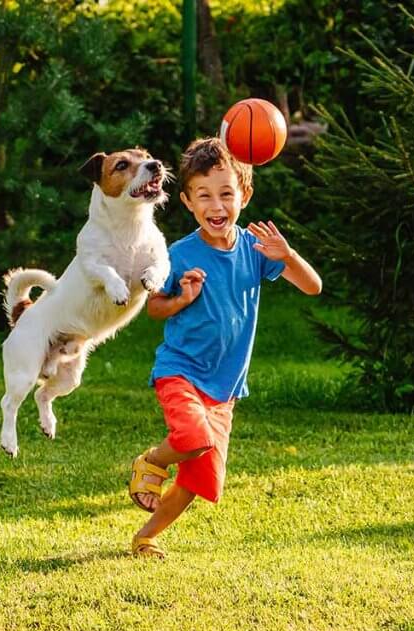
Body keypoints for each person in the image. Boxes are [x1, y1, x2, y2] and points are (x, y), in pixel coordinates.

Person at [128, 137, 323, 558]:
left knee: (199, 480)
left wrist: (287, 255)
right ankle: (152, 462)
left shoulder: (257, 250)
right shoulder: (178, 254)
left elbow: (312, 286)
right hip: (181, 369)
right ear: (187, 202)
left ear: (244, 196)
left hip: (224, 388)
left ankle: (147, 536)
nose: (216, 206)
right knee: (192, 436)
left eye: (226, 194)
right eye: (204, 196)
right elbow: (154, 309)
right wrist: (181, 299)